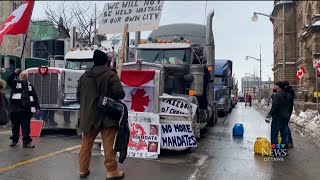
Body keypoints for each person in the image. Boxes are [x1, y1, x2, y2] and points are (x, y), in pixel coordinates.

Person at [77, 49, 125, 179]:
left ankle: (83, 169)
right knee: (108, 145)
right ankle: (111, 171)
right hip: (107, 116)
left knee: (86, 144)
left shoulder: (84, 76)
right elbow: (120, 94)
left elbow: (78, 96)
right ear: (106, 61)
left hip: (89, 117)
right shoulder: (111, 75)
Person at [6, 69, 40, 148]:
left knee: (26, 127)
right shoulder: (14, 83)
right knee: (15, 126)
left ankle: (26, 142)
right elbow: (8, 80)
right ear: (19, 76)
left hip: (26, 110)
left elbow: (35, 97)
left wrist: (37, 107)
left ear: (27, 77)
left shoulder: (30, 86)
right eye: (21, 75)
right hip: (15, 110)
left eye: (24, 76)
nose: (23, 77)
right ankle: (14, 140)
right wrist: (14, 73)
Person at [266, 82, 290, 148]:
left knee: (274, 134)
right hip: (285, 117)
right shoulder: (286, 95)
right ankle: (283, 149)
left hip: (277, 117)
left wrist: (269, 115)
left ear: (278, 87)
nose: (273, 86)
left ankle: (275, 149)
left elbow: (274, 106)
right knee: (284, 134)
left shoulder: (276, 95)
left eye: (275, 85)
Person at [283, 81, 295, 148]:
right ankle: (287, 141)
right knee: (285, 126)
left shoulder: (288, 93)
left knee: (285, 126)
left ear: (285, 86)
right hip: (287, 112)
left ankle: (289, 141)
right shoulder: (288, 92)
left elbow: (287, 102)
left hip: (287, 112)